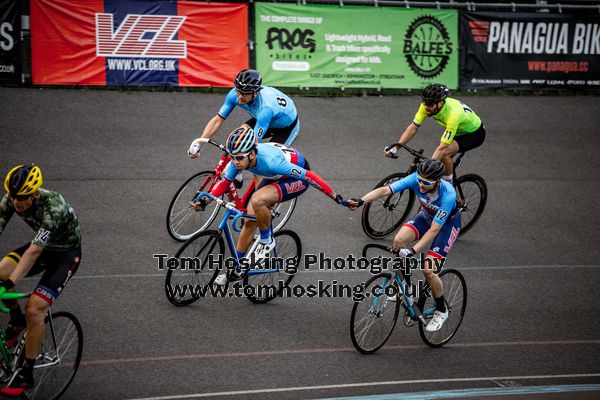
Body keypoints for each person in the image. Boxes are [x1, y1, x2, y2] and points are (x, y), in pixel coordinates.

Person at [195, 124, 349, 285]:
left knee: (257, 199)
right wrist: (206, 200)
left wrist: (337, 198)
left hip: (296, 177)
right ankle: (238, 268)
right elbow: (225, 182)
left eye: (239, 158)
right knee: (249, 221)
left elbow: (311, 176)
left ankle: (267, 241)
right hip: (274, 176)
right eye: (233, 157)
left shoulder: (272, 162)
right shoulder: (239, 158)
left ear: (252, 154)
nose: (235, 162)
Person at [348, 160, 460, 332]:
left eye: (426, 183)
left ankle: (441, 310)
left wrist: (413, 250)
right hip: (426, 217)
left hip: (446, 226)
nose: (421, 185)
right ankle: (405, 290)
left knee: (429, 270)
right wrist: (362, 200)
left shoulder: (448, 194)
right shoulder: (416, 179)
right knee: (399, 241)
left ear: (437, 181)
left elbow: (434, 230)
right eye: (420, 180)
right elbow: (387, 190)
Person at [0, 165, 81, 397]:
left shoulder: (53, 206)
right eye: (14, 197)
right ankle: (16, 322)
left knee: (34, 310)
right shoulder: (11, 199)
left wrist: (10, 283)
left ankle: (26, 374)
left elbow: (34, 251)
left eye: (23, 199)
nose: (17, 203)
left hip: (66, 255)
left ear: (35, 193)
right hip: (43, 248)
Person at [384, 83, 485, 182]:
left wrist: (427, 169)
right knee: (439, 161)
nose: (426, 107)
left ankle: (449, 188)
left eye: (430, 104)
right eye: (425, 102)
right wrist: (396, 148)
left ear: (441, 103)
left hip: (474, 133)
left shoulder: (453, 115)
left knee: (444, 154)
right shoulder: (426, 105)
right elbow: (413, 128)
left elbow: (442, 148)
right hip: (458, 131)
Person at [188, 68, 299, 156]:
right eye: (238, 91)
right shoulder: (234, 94)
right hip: (266, 120)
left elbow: (253, 143)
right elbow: (218, 120)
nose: (240, 97)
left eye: (244, 93)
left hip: (286, 128)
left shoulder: (265, 109)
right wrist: (199, 143)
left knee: (261, 159)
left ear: (255, 93)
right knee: (238, 137)